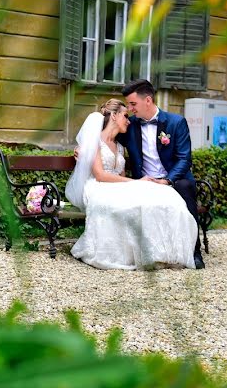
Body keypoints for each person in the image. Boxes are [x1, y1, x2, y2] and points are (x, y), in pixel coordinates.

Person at [66, 99, 198, 270]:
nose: (129, 120)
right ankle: (133, 255)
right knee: (133, 203)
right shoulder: (95, 142)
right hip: (98, 187)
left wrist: (135, 184)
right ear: (113, 115)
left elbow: (120, 176)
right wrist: (136, 182)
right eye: (125, 115)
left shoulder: (120, 146)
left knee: (162, 196)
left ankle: (169, 252)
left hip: (117, 186)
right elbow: (100, 175)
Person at [119, 79, 205, 269]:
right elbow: (104, 134)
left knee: (186, 186)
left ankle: (194, 251)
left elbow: (185, 158)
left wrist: (167, 180)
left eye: (133, 104)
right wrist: (83, 147)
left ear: (147, 100)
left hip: (173, 180)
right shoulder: (130, 125)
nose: (130, 108)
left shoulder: (176, 122)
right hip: (144, 181)